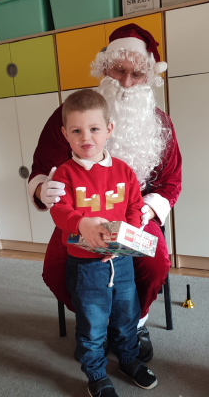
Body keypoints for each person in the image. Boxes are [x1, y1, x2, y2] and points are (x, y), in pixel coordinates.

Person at [28, 23, 182, 363]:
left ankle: (134, 323)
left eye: (136, 74)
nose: (126, 82)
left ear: (148, 77)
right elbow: (41, 168)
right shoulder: (70, 115)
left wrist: (143, 214)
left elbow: (171, 181)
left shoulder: (161, 123)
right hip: (79, 213)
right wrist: (42, 188)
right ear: (104, 68)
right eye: (118, 70)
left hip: (136, 212)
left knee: (154, 262)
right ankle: (96, 319)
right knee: (56, 267)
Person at [51, 89, 158, 396]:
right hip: (86, 267)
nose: (86, 137)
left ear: (109, 130)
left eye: (94, 129)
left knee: (127, 315)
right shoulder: (64, 174)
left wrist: (129, 231)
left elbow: (135, 206)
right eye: (76, 131)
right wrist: (81, 223)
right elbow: (59, 210)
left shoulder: (123, 170)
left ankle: (128, 359)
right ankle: (96, 374)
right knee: (92, 325)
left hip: (121, 261)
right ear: (65, 134)